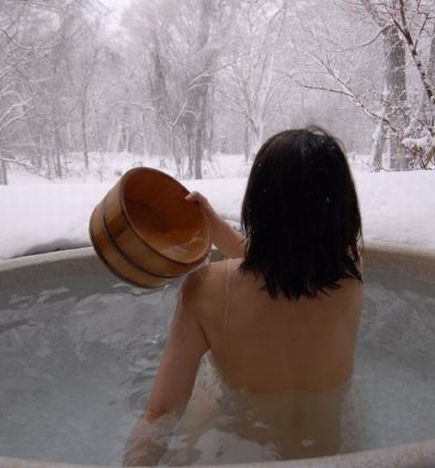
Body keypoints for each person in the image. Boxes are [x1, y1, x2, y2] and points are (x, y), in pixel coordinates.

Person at [123, 127, 363, 465]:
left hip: (243, 453)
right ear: (342, 206)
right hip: (336, 453)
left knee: (204, 392)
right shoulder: (352, 271)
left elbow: (161, 412)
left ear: (258, 204)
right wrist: (216, 227)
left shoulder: (207, 288)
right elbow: (295, 255)